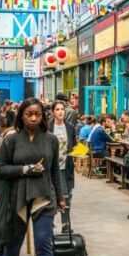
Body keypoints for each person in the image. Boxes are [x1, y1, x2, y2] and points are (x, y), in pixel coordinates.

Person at [0, 98, 66, 256]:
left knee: (43, 242)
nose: (33, 118)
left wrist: (60, 197)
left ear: (43, 116)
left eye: (37, 114)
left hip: (44, 196)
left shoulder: (51, 139)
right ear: (21, 116)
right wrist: (24, 170)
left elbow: (54, 171)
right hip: (17, 196)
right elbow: (1, 169)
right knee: (14, 242)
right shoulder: (11, 139)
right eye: (29, 114)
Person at [50, 100, 77, 233]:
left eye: (62, 109)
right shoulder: (48, 127)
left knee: (67, 196)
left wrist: (78, 153)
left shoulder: (70, 127)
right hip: (51, 168)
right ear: (53, 112)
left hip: (66, 167)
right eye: (57, 109)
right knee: (52, 196)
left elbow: (74, 145)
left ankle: (66, 224)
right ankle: (50, 223)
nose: (61, 112)